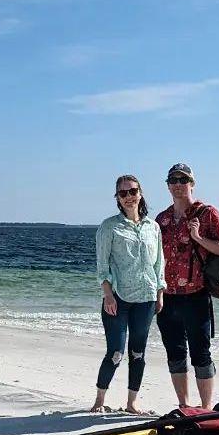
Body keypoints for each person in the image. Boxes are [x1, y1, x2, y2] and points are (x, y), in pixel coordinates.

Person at [155, 162, 219, 409]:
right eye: (173, 180)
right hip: (168, 296)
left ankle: (206, 408)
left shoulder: (207, 213)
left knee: (201, 353)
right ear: (168, 185)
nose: (178, 184)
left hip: (195, 295)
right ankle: (184, 406)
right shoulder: (162, 219)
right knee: (175, 353)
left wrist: (198, 238)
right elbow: (155, 260)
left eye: (183, 180)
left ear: (192, 183)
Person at [90, 173, 165, 414]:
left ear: (140, 193)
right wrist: (108, 295)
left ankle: (132, 403)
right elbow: (102, 266)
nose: (129, 196)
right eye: (123, 193)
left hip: (146, 298)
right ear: (118, 199)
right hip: (118, 299)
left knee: (138, 353)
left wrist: (160, 291)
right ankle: (99, 401)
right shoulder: (109, 227)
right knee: (116, 352)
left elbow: (158, 264)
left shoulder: (152, 227)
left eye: (133, 191)